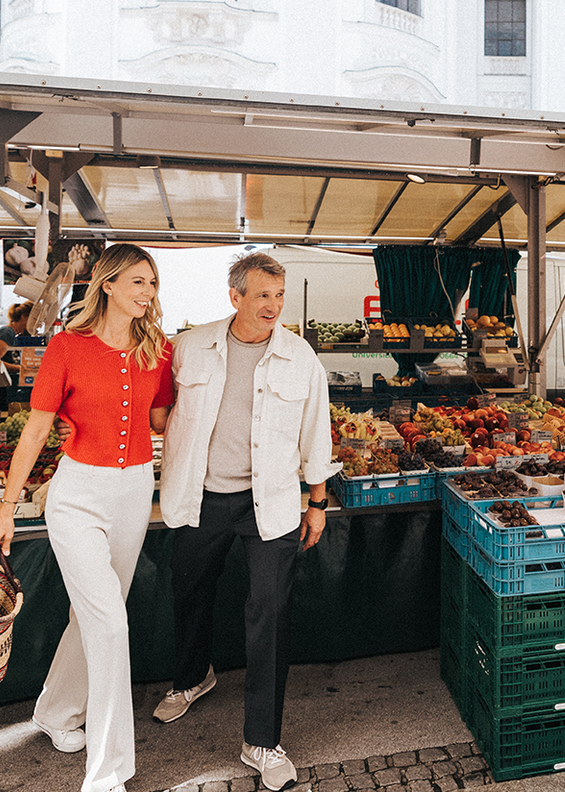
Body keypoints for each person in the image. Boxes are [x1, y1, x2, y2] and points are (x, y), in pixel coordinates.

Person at [0, 244, 175, 792]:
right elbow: (37, 429)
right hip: (78, 494)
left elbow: (161, 419)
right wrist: (6, 512)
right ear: (108, 285)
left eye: (153, 284)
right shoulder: (67, 346)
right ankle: (108, 771)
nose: (148, 293)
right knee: (111, 624)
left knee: (91, 615)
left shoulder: (157, 350)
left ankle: (55, 712)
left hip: (136, 489)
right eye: (138, 282)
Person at [154, 252, 340, 792]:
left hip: (273, 502)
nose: (272, 306)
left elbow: (316, 432)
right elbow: (157, 407)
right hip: (201, 497)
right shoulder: (190, 348)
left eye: (279, 296)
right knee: (189, 589)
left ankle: (262, 739)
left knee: (271, 614)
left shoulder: (300, 357)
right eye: (262, 295)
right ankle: (192, 678)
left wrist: (318, 502)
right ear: (234, 296)